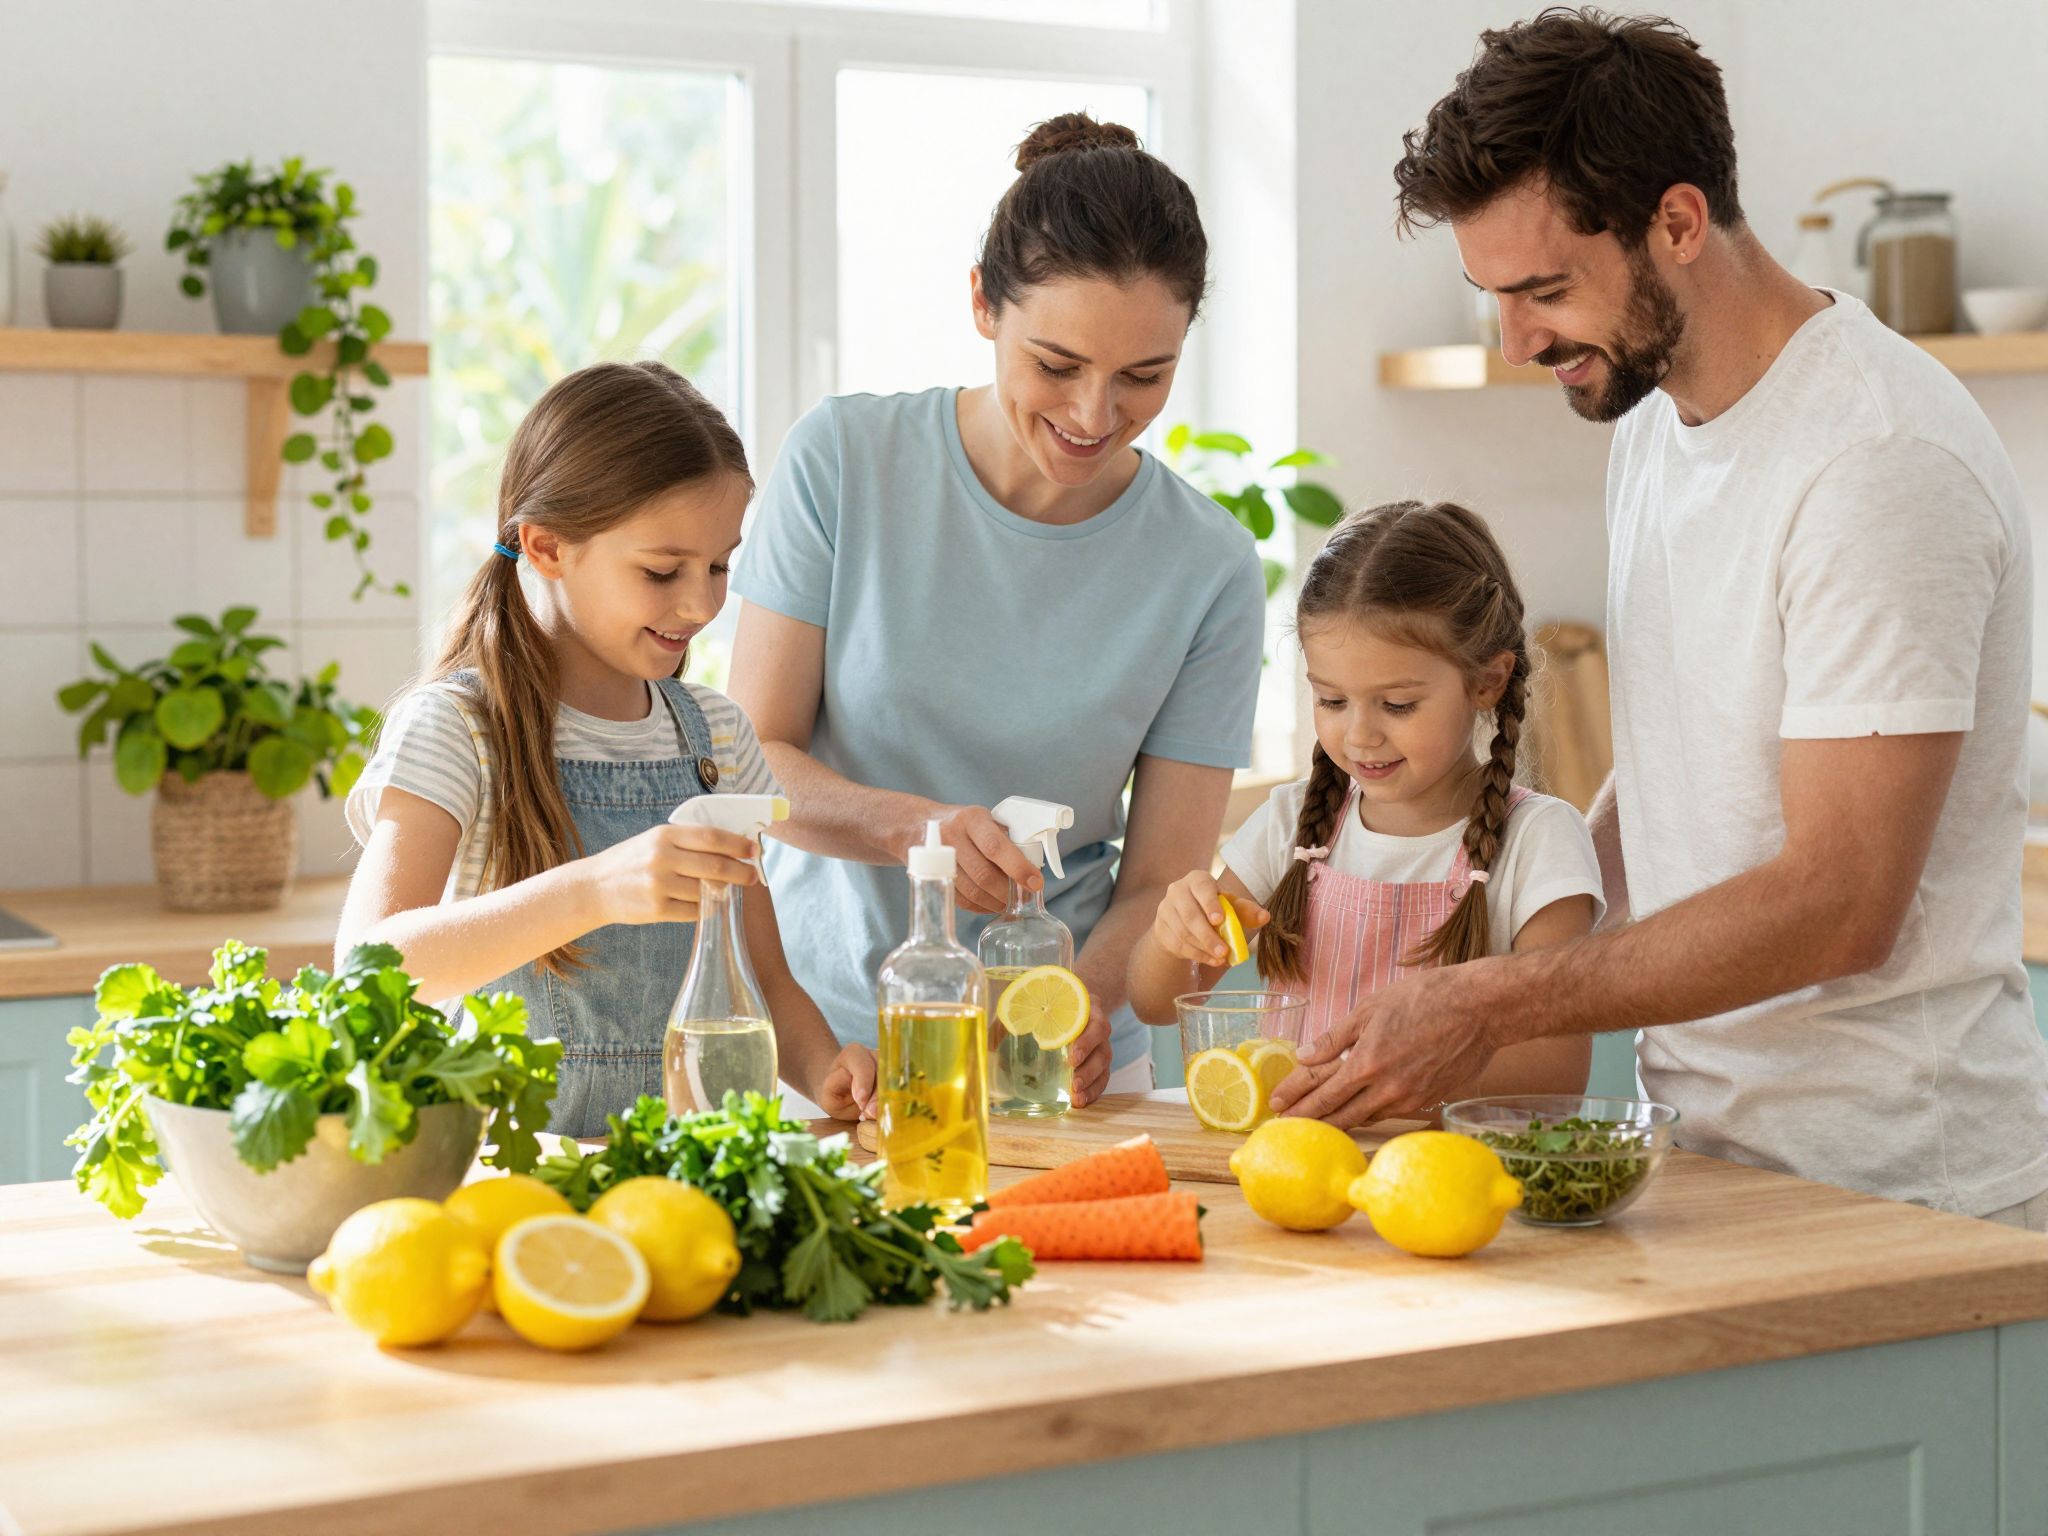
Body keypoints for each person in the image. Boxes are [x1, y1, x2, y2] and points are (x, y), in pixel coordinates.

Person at [1278, 9, 2048, 1228]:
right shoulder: (1647, 420)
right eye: (1491, 296)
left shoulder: (1875, 461)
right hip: (1704, 1152)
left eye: (1543, 291)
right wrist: (1505, 914)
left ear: (1676, 224)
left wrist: (1493, 1004)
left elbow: (1842, 901)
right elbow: (1675, 772)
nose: (1518, 340)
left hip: (1897, 1188)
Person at [727, 113, 1267, 1095]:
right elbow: (752, 760)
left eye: (1144, 376)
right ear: (982, 303)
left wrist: (1076, 1006)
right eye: (1055, 365)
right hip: (820, 1053)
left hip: (1048, 1060)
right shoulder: (844, 462)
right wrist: (907, 828)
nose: (1092, 416)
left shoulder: (1208, 565)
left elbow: (1155, 880)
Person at [338, 361, 875, 1137]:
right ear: (547, 546)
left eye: (721, 565)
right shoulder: (457, 730)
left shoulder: (719, 736)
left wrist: (826, 1068)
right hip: (513, 1183)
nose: (701, 603)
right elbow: (368, 969)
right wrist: (592, 890)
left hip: (686, 1174)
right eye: (662, 571)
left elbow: (763, 978)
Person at [1128, 500, 1599, 1117]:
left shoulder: (1539, 840)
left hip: (1459, 1187)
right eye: (1331, 700)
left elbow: (1557, 1068)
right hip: (1301, 1181)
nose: (1359, 736)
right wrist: (1174, 936)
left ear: (1487, 681)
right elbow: (1157, 1002)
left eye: (1397, 705)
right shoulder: (1292, 824)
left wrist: (1387, 1073)